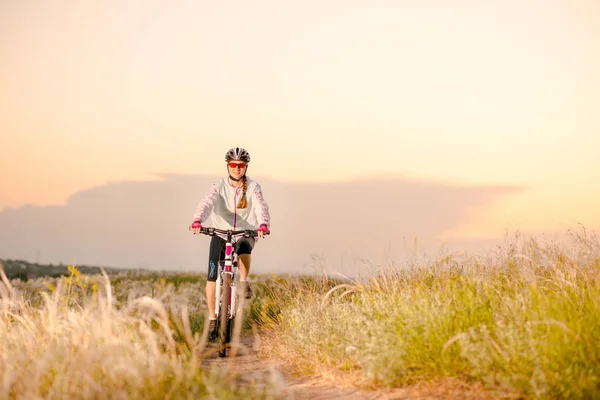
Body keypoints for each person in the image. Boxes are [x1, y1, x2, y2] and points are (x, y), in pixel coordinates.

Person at [189, 146, 271, 340]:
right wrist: (197, 220)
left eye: (241, 165)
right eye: (233, 165)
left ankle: (243, 282)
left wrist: (263, 224)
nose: (237, 168)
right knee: (211, 276)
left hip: (245, 231)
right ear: (228, 166)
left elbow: (260, 206)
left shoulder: (253, 187)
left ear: (246, 167)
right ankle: (212, 318)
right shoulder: (219, 186)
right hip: (219, 231)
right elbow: (207, 202)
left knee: (244, 247)